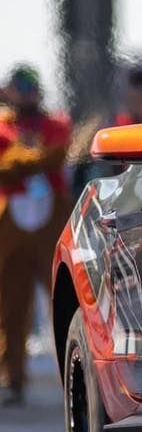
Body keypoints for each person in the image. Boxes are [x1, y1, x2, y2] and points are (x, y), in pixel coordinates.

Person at [0, 65, 72, 406]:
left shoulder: (56, 124)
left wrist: (20, 159)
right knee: (11, 307)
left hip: (50, 221)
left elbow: (56, 157)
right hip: (11, 224)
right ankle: (13, 378)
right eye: (19, 86)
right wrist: (32, 157)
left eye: (31, 86)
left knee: (63, 300)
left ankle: (76, 375)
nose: (25, 92)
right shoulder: (2, 126)